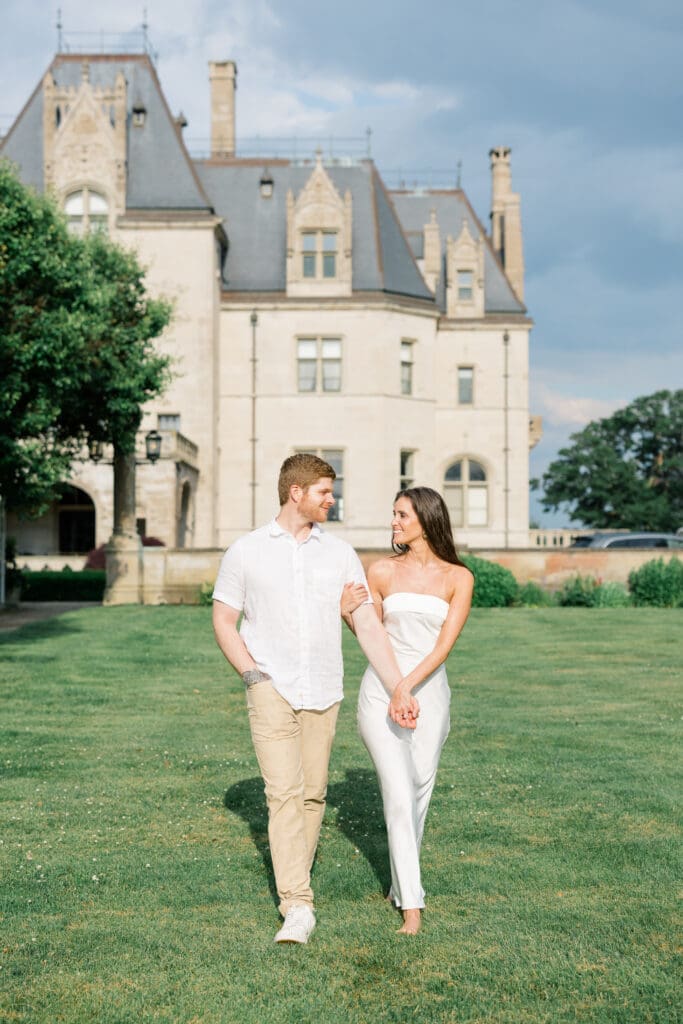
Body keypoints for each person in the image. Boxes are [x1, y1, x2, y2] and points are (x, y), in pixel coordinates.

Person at [212, 453, 407, 945]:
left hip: (323, 687)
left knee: (313, 793)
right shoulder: (246, 551)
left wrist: (397, 684)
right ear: (295, 492)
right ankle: (297, 905)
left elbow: (364, 622)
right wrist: (253, 676)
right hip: (271, 687)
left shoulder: (339, 554)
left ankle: (297, 874)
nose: (331, 498)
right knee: (283, 795)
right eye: (324, 491)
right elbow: (223, 621)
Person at [342, 486, 473, 935]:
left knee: (418, 790)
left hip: (428, 695)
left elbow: (443, 647)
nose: (394, 522)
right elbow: (373, 635)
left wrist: (409, 688)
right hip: (380, 692)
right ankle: (412, 908)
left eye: (401, 515)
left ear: (426, 519)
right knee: (399, 794)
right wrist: (348, 617)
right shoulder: (379, 571)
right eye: (394, 514)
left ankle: (401, 883)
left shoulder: (459, 578)